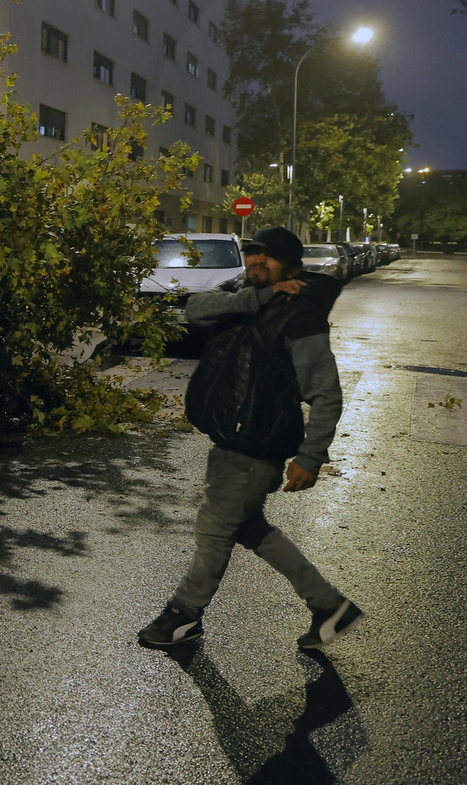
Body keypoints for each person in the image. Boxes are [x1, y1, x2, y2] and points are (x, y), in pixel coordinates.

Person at [138, 226, 365, 652]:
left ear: (293, 265)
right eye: (253, 252)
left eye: (270, 256)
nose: (258, 260)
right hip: (231, 440)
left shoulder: (301, 313)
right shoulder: (247, 295)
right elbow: (195, 310)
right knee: (249, 528)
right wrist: (262, 294)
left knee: (214, 529)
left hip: (253, 447)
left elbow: (325, 392)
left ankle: (184, 615)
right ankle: (330, 607)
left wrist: (311, 456)